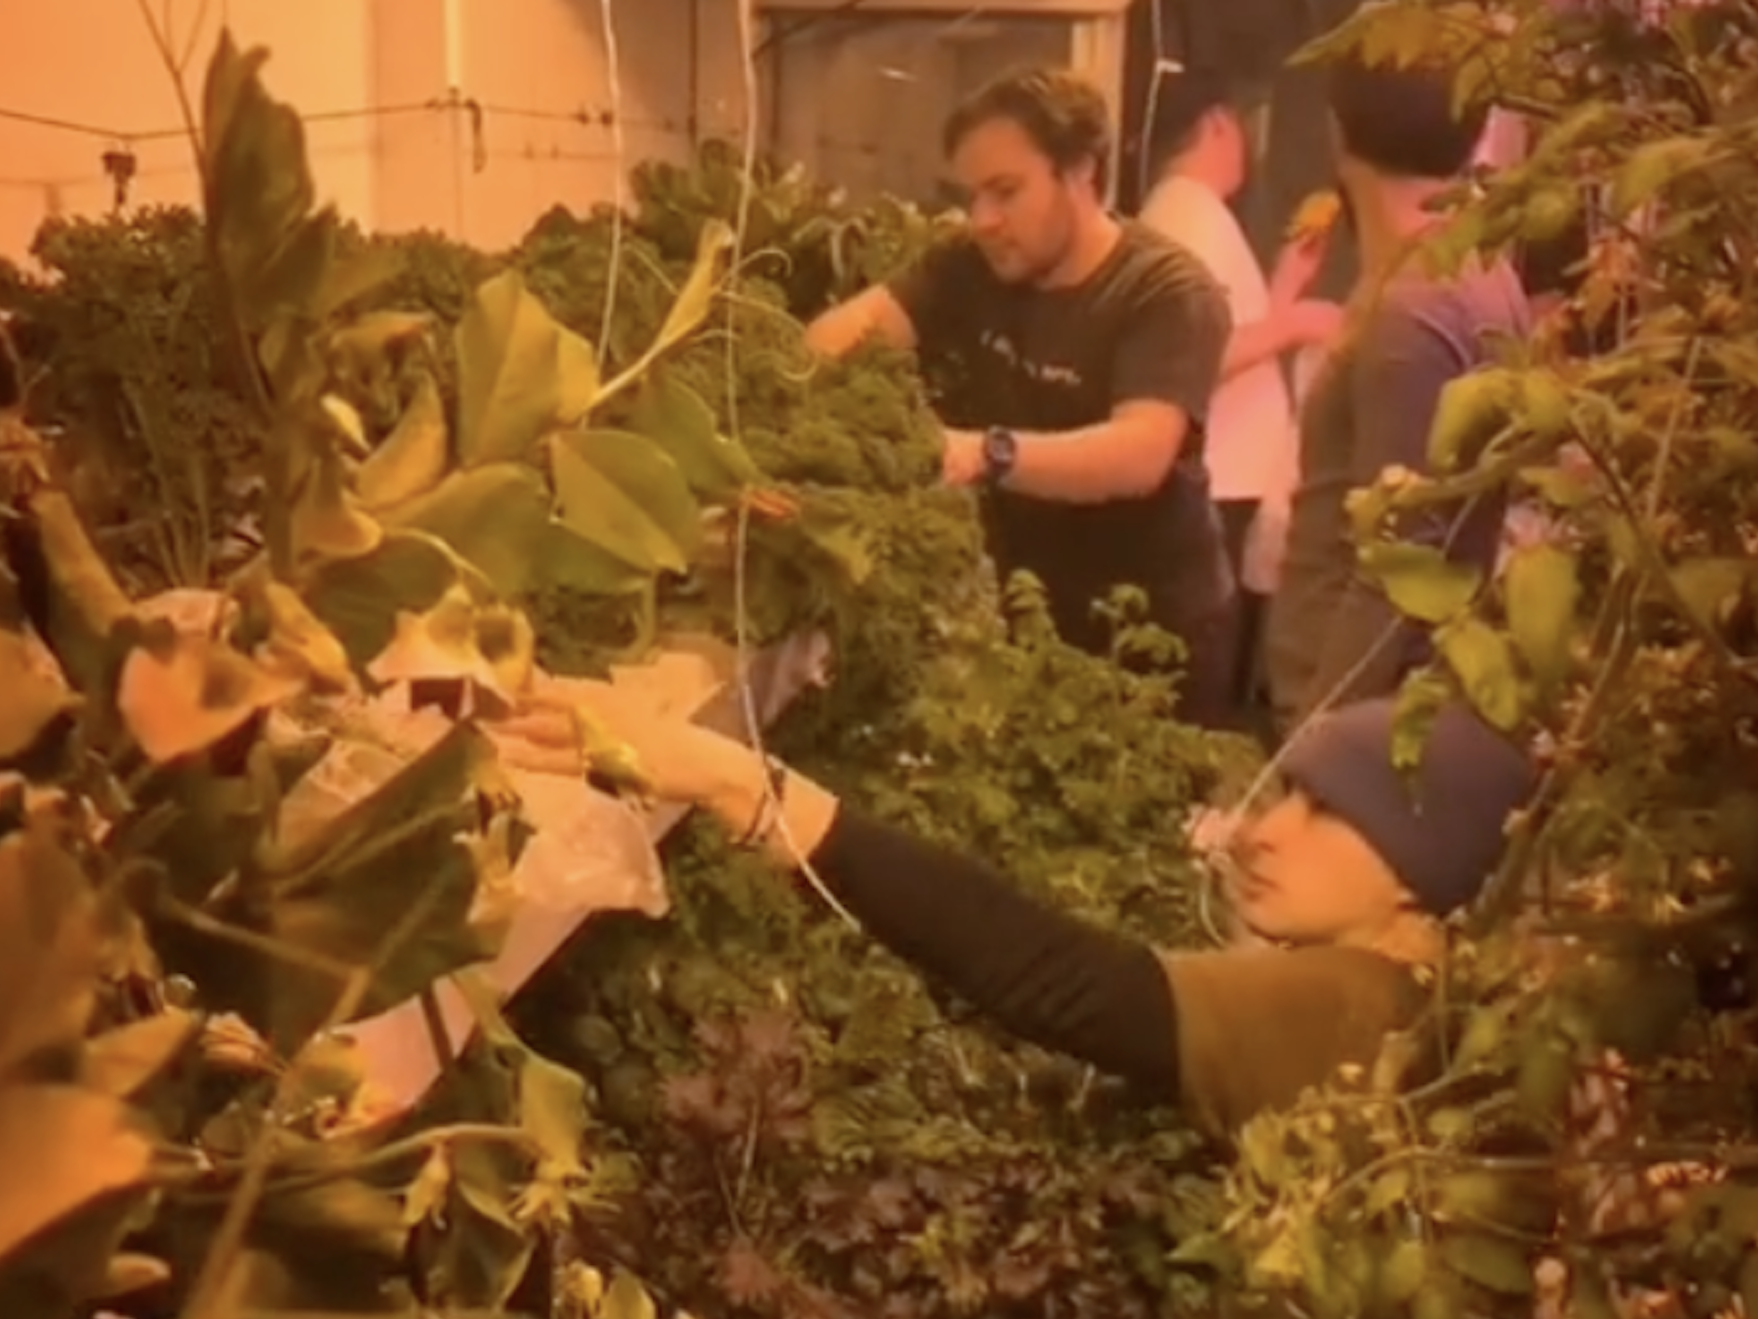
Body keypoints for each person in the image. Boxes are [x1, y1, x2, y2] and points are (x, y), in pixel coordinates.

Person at [490, 688, 1535, 1139]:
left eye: (1330, 813)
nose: (1265, 831)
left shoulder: (1362, 1001)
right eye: (1287, 792)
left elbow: (1064, 982)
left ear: (1417, 871)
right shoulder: (1434, 992)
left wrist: (738, 783)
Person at [802, 68, 1239, 730]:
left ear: (1081, 171)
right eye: (971, 195)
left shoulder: (1165, 291)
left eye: (1005, 191)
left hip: (1157, 637)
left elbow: (1140, 452)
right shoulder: (969, 266)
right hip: (1034, 615)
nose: (983, 219)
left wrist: (985, 452)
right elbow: (835, 341)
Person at [1263, 55, 1533, 733]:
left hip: (1364, 722)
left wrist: (1309, 754)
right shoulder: (1474, 266)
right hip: (1389, 705)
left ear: (1335, 132)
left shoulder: (1416, 308)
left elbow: (1394, 570)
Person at [1136, 70, 1344, 716]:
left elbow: (1225, 338)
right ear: (1218, 124)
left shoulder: (1187, 213)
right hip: (1214, 490)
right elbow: (1188, 357)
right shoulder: (1188, 215)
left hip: (1227, 487)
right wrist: (1299, 322)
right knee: (1209, 682)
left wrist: (1284, 288)